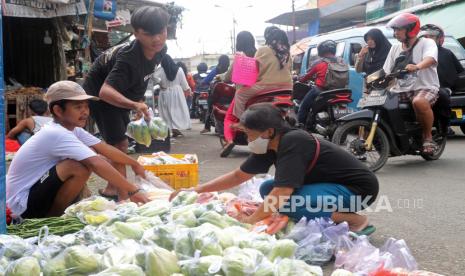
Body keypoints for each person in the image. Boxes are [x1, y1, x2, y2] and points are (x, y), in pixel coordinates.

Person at [170, 103, 378, 234]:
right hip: (330, 186)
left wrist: (250, 220)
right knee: (266, 189)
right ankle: (326, 213)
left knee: (288, 203)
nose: (248, 139)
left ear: (268, 131)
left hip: (358, 190)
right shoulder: (270, 144)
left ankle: (356, 220)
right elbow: (237, 176)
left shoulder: (293, 141)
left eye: (249, 133)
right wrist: (195, 190)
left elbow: (283, 192)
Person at [6, 81, 149, 218]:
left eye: (86, 106)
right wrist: (133, 190)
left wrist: (134, 164)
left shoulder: (73, 129)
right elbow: (95, 163)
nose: (85, 111)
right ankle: (53, 218)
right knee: (78, 166)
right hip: (21, 205)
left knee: (91, 159)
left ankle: (56, 213)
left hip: (34, 194)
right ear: (58, 110)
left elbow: (105, 149)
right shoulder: (55, 133)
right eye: (78, 107)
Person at [82, 6, 168, 198]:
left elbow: (142, 77)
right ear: (136, 33)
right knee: (118, 144)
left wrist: (136, 101)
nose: (157, 39)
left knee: (120, 141)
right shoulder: (128, 58)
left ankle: (113, 188)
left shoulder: (161, 49)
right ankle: (123, 196)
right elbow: (106, 91)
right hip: (99, 94)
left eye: (161, 32)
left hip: (122, 92)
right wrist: (134, 104)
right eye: (149, 34)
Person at [221, 26, 293, 157]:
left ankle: (242, 119)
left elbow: (254, 70)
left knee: (240, 94)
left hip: (267, 86)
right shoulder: (287, 52)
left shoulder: (263, 50)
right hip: (287, 87)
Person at [383, 13, 440, 155]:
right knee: (380, 104)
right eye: (394, 30)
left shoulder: (427, 43)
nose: (395, 33)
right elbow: (386, 71)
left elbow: (431, 59)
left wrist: (417, 66)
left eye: (399, 29)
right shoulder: (395, 48)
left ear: (411, 29)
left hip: (425, 86)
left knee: (419, 102)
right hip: (401, 90)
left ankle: (427, 137)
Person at [216, 31, 257, 143]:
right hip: (260, 93)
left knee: (229, 118)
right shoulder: (260, 55)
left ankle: (229, 140)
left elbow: (228, 77)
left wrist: (220, 77)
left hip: (243, 95)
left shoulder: (240, 58)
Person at [297, 40, 349, 125]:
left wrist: (300, 79)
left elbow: (306, 76)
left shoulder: (319, 62)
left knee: (303, 107)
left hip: (321, 91)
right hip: (340, 92)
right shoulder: (342, 61)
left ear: (321, 50)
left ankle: (300, 127)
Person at [155, 55, 192, 137]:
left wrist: (160, 83)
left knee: (166, 111)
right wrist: (188, 90)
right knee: (177, 110)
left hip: (164, 92)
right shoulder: (179, 69)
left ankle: (169, 129)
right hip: (177, 93)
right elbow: (184, 84)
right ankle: (175, 128)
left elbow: (153, 78)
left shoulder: (160, 70)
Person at [419, 24, 464, 89]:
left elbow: (459, 73)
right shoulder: (416, 53)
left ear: (439, 38)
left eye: (431, 36)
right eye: (424, 37)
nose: (428, 39)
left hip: (445, 91)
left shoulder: (447, 52)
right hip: (428, 92)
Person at [200, 55, 230, 134]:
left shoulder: (216, 70)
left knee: (210, 109)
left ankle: (207, 127)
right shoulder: (229, 70)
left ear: (219, 61)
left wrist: (204, 83)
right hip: (228, 95)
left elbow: (205, 81)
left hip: (216, 95)